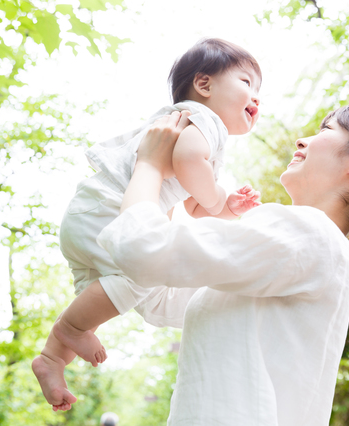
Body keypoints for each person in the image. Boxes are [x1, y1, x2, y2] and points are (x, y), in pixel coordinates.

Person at [95, 104, 349, 425]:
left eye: (326, 129)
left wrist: (150, 165)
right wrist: (170, 189)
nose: (302, 140)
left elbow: (141, 247)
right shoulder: (315, 249)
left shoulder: (310, 233)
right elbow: (159, 300)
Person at [32, 38, 262, 411]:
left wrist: (226, 207)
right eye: (247, 83)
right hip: (108, 213)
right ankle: (70, 330)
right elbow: (189, 160)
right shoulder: (205, 120)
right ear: (204, 85)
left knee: (100, 296)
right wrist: (220, 197)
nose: (256, 98)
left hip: (92, 214)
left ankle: (52, 358)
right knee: (145, 273)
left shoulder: (190, 127)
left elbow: (193, 205)